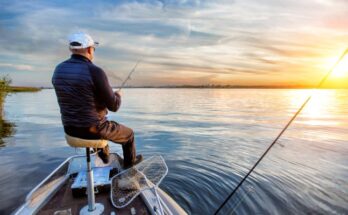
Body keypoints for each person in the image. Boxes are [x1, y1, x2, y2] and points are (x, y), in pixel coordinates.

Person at [52, 32, 142, 168]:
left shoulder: (58, 70)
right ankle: (129, 169)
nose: (93, 51)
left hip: (69, 130)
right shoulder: (95, 71)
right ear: (89, 49)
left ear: (72, 49)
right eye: (93, 48)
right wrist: (118, 96)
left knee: (100, 121)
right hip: (93, 130)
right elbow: (114, 106)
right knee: (128, 135)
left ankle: (104, 156)